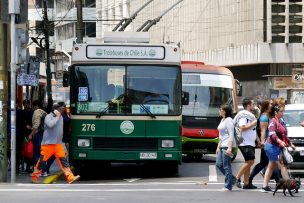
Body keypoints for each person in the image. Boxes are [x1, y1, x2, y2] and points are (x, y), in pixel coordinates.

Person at [32, 103, 80, 184]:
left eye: (62, 109)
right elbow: (51, 125)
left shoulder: (60, 117)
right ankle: (35, 177)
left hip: (58, 144)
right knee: (42, 162)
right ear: (55, 109)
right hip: (47, 144)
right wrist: (57, 117)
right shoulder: (48, 116)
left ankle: (70, 177)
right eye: (60, 109)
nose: (62, 111)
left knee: (63, 161)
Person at [261, 104, 296, 192]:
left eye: (283, 111)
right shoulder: (273, 121)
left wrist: (290, 143)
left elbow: (284, 135)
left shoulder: (281, 121)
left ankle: (264, 186)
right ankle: (290, 185)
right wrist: (280, 141)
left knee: (271, 166)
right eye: (281, 111)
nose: (283, 113)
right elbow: (272, 134)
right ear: (276, 112)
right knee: (282, 165)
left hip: (277, 146)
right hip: (272, 147)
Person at [248, 99, 278, 185]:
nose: (273, 105)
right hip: (267, 143)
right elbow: (263, 131)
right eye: (271, 104)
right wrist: (263, 143)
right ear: (266, 106)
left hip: (272, 142)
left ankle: (250, 178)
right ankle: (278, 181)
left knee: (265, 162)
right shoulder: (264, 117)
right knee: (272, 162)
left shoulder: (270, 116)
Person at [233, 98, 257, 189]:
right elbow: (242, 127)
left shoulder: (250, 116)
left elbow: (253, 129)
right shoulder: (244, 115)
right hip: (244, 142)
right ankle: (236, 178)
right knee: (250, 161)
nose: (254, 105)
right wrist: (253, 123)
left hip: (250, 142)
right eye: (253, 104)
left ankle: (246, 183)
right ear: (248, 105)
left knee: (249, 161)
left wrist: (257, 140)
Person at [215, 104, 236, 191]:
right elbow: (221, 135)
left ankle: (228, 186)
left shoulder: (229, 120)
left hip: (228, 145)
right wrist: (218, 146)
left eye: (221, 109)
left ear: (225, 111)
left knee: (227, 166)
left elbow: (231, 134)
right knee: (219, 164)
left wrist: (230, 148)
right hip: (222, 145)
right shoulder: (222, 120)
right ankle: (233, 179)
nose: (219, 110)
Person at [28, 100, 47, 176]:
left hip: (38, 135)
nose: (32, 108)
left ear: (35, 106)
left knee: (37, 153)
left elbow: (36, 125)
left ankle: (38, 171)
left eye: (32, 106)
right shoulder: (43, 112)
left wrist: (30, 134)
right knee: (42, 153)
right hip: (44, 134)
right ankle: (43, 171)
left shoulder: (37, 112)